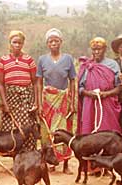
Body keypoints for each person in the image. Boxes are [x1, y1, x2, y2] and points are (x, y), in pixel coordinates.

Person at [36, 28, 76, 174]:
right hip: (47, 100)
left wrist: (72, 102)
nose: (53, 43)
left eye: (56, 41)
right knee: (47, 131)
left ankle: (65, 163)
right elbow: (39, 82)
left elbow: (72, 81)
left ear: (61, 42)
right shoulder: (42, 60)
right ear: (47, 43)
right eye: (50, 41)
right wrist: (39, 103)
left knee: (65, 131)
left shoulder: (68, 59)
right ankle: (51, 162)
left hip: (63, 100)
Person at [0, 30, 38, 152]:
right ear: (9, 43)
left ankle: (28, 155)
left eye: (20, 43)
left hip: (26, 97)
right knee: (10, 127)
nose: (17, 45)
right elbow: (0, 84)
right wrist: (5, 103)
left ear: (23, 44)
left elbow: (35, 82)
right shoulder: (3, 60)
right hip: (11, 98)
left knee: (27, 126)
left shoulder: (29, 60)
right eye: (14, 42)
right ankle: (14, 156)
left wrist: (35, 102)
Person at [77, 37, 122, 135]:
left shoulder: (112, 65)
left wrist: (106, 94)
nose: (96, 52)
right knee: (89, 133)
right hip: (89, 103)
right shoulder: (86, 65)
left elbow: (119, 86)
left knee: (108, 133)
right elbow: (80, 88)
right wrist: (89, 93)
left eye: (99, 49)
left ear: (105, 49)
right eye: (94, 49)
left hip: (108, 102)